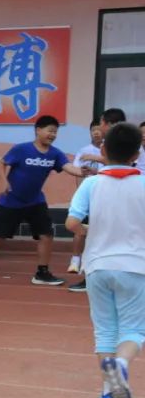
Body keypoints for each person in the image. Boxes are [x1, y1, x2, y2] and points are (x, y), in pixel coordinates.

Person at [66, 122, 145, 398]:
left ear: (102, 149)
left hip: (97, 265)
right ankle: (121, 364)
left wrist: (92, 229)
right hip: (136, 266)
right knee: (134, 328)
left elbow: (71, 224)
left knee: (105, 330)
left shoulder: (91, 183)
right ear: (137, 152)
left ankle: (109, 395)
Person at [0, 116, 86, 286]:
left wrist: (83, 172)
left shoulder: (55, 153)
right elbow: (1, 163)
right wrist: (4, 182)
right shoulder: (21, 149)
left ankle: (42, 272)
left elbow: (69, 168)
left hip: (35, 201)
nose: (52, 134)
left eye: (55, 132)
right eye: (49, 130)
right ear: (38, 130)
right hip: (11, 201)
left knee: (46, 234)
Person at [68, 108, 127, 294]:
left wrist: (96, 159)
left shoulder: (120, 141)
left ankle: (95, 277)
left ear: (109, 124)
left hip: (117, 191)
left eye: (100, 123)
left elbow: (122, 163)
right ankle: (90, 275)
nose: (98, 128)